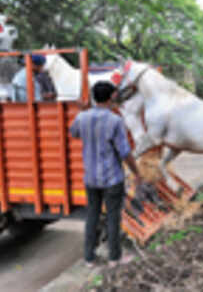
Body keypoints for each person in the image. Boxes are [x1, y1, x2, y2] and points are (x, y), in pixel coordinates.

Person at [70, 81, 143, 268]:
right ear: (111, 97)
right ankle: (114, 258)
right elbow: (124, 152)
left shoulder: (82, 118)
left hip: (91, 179)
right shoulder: (115, 121)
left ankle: (89, 258)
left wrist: (82, 111)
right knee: (113, 217)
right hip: (111, 179)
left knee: (92, 217)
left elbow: (74, 133)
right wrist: (136, 172)